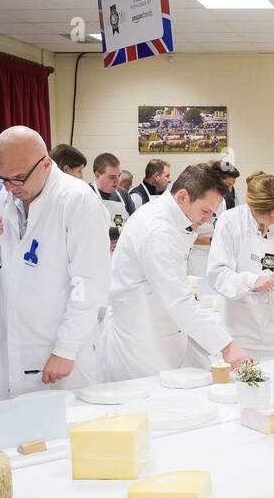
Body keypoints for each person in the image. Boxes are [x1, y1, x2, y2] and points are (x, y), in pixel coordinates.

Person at [0, 125, 109, 401]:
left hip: (55, 340)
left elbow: (90, 283)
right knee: (11, 428)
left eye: (19, 178)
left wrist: (66, 349)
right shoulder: (6, 194)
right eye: (3, 178)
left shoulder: (77, 200)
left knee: (62, 432)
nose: (10, 187)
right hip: (11, 335)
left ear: (46, 165)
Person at [96, 162, 251, 378]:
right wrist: (227, 347)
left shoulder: (176, 220)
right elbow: (178, 300)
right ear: (182, 197)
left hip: (161, 333)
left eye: (212, 213)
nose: (208, 219)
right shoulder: (158, 230)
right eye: (205, 211)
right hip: (140, 346)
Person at [208, 172, 274, 359]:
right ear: (253, 208)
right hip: (240, 332)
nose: (273, 221)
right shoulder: (230, 222)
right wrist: (252, 280)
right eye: (269, 216)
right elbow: (217, 274)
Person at [188, 160, 240, 278]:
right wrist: (212, 241)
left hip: (217, 256)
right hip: (197, 256)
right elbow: (185, 234)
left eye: (232, 185)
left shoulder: (227, 200)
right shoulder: (196, 198)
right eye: (227, 185)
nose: (230, 190)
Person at [92, 152, 131, 231]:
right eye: (112, 177)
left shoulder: (122, 193)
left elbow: (135, 220)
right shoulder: (88, 193)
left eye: (119, 176)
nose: (117, 181)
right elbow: (88, 227)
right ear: (97, 175)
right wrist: (116, 233)